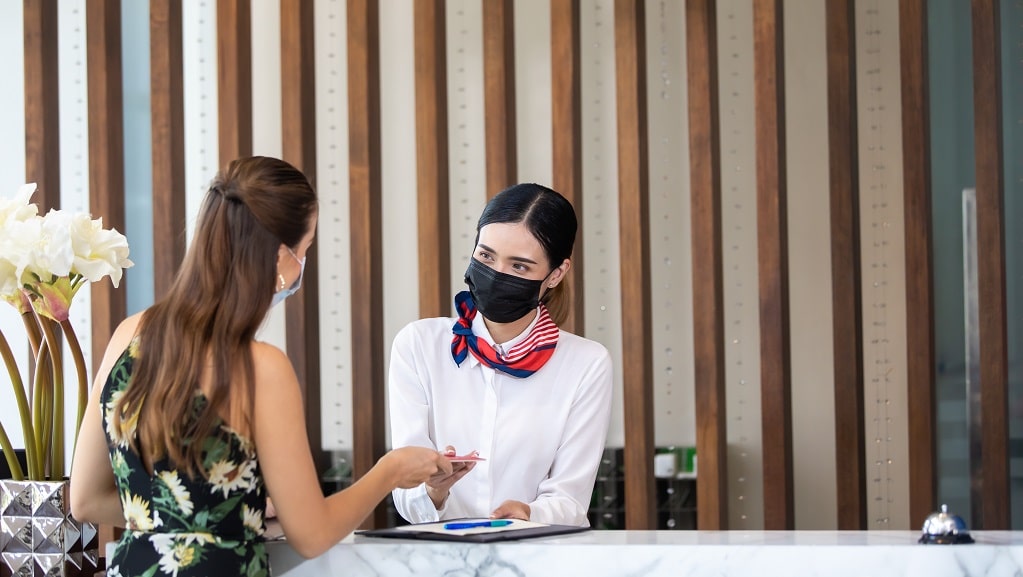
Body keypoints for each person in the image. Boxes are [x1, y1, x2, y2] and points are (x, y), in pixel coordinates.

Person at [70, 156, 452, 575]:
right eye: (306, 249)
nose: (303, 264)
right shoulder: (261, 368)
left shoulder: (128, 334)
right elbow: (311, 535)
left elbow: (85, 499)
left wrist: (226, 511)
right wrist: (390, 470)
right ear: (280, 257)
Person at [388, 183, 613, 527]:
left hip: (538, 560)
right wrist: (433, 491)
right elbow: (406, 493)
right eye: (486, 256)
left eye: (520, 267)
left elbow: (570, 499)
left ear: (556, 274)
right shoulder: (418, 345)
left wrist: (529, 513)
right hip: (441, 560)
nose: (496, 275)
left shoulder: (586, 364)